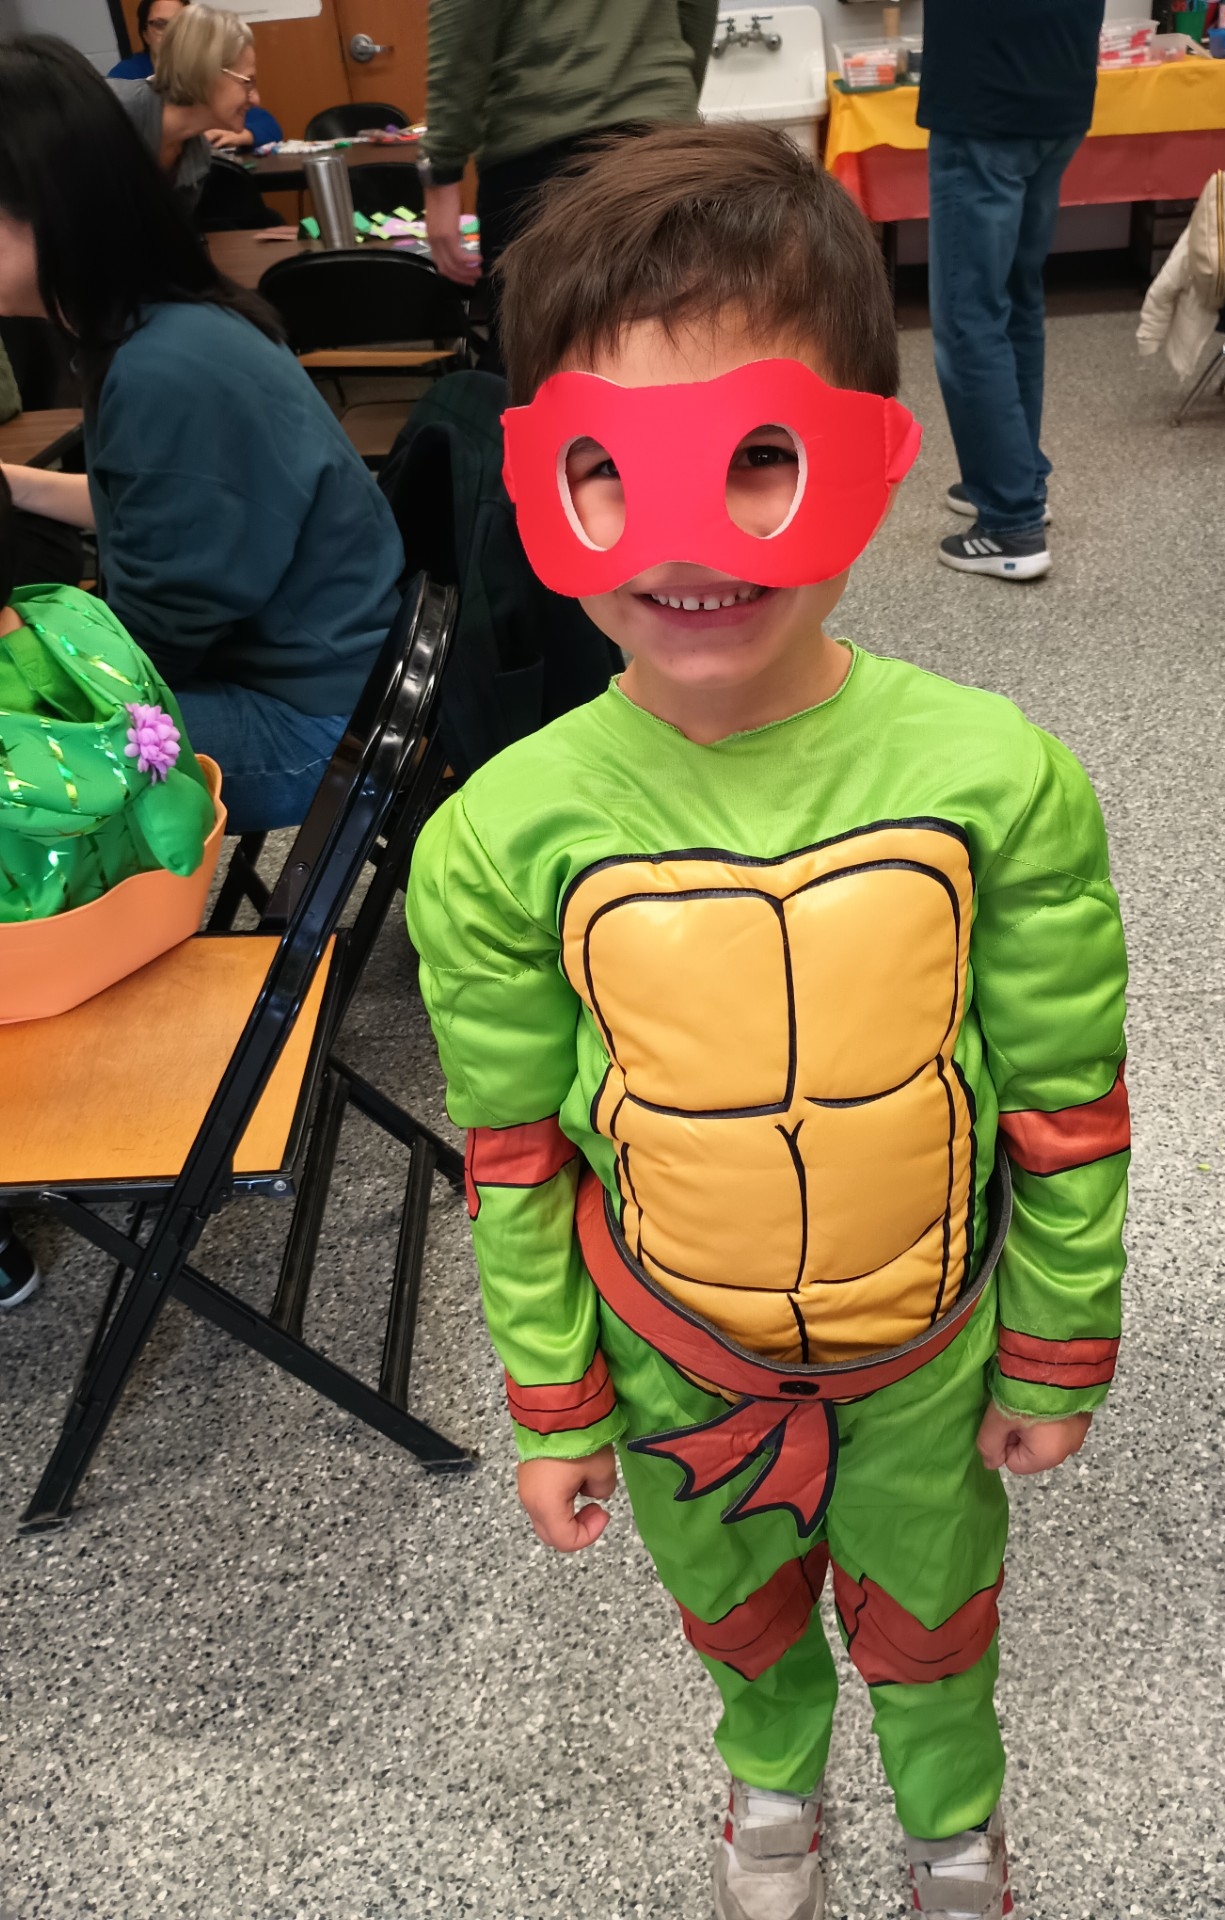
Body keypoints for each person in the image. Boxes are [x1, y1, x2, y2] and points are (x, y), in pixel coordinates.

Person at [407, 123, 1129, 1920]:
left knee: (940, 1615)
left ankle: (952, 1822)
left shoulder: (996, 780)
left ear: (874, 467)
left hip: (928, 1353)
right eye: (614, 472)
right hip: (680, 1369)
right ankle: (769, 1792)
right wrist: (558, 1403)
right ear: (536, 484)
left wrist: (1057, 1342)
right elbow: (513, 1150)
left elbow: (1060, 1094)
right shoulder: (498, 837)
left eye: (762, 462)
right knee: (734, 1620)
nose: (695, 542)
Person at [0, 37, 404, 835]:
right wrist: (15, 483)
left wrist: (34, 655)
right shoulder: (157, 325)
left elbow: (154, 646)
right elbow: (146, 506)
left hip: (313, 726)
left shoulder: (164, 368)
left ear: (45, 210)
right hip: (314, 678)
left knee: (22, 749)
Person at [918, 0, 1105, 585]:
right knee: (1016, 299)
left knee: (970, 314)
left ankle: (1009, 520)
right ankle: (1018, 482)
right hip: (1059, 84)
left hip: (984, 96)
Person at [420, 0, 717, 353]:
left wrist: (442, 169)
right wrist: (669, 99)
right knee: (677, 341)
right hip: (660, 132)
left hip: (545, 136)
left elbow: (462, 12)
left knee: (541, 362)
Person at [108, 5, 271, 216]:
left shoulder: (196, 156)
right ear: (206, 72)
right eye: (248, 82)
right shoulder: (112, 114)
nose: (256, 99)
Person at [109, 0, 282, 150]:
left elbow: (268, 124)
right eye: (161, 25)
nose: (173, 34)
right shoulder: (118, 102)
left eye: (180, 25)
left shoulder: (197, 155)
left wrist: (242, 135)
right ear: (145, 34)